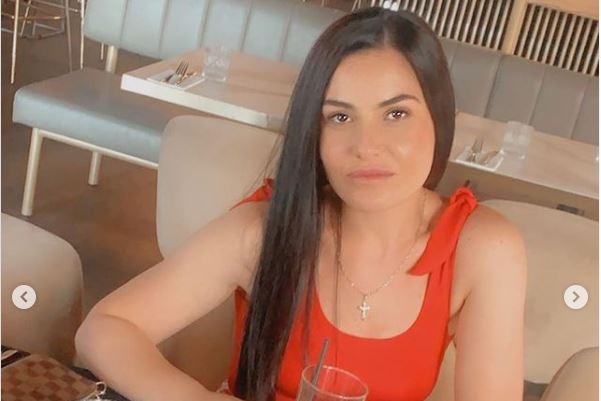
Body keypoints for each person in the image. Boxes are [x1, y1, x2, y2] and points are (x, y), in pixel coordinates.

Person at [75, 7, 527, 401]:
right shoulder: (267, 230)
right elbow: (105, 328)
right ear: (315, 133)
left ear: (438, 116)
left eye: (396, 114)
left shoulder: (484, 250)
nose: (366, 146)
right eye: (340, 117)